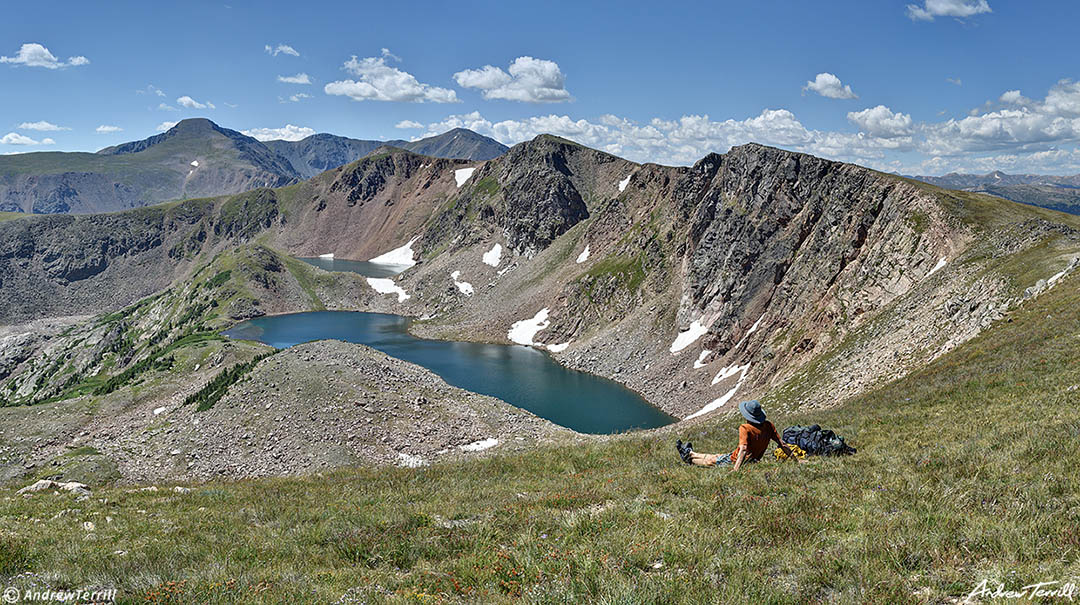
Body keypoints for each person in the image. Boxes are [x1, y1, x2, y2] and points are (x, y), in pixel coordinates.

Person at [676, 400, 805, 471]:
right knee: (718, 456)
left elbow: (743, 450)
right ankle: (691, 452)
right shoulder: (768, 425)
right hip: (752, 460)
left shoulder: (745, 428)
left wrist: (736, 469)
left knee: (712, 461)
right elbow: (782, 444)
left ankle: (688, 459)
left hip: (741, 460)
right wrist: (796, 460)